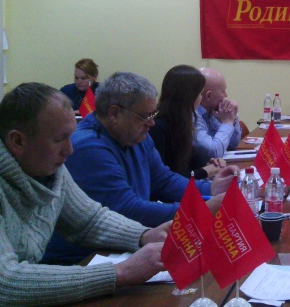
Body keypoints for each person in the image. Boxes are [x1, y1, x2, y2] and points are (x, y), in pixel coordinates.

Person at [0, 82, 169, 306]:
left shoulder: (51, 169)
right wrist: (119, 273)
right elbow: (6, 282)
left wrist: (143, 235)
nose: (70, 150)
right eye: (59, 139)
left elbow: (89, 220)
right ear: (18, 141)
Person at [43, 72, 234, 265]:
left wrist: (211, 189)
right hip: (83, 260)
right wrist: (198, 209)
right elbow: (128, 209)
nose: (152, 123)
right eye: (145, 116)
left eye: (153, 114)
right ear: (114, 113)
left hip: (121, 247)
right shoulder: (88, 146)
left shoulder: (136, 135)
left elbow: (164, 181)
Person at [149, 65, 226, 179]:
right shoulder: (157, 128)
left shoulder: (181, 122)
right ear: (189, 97)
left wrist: (211, 163)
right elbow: (166, 179)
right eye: (200, 94)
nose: (201, 99)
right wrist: (205, 171)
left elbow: (192, 159)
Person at [192, 67, 242, 165]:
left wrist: (233, 117)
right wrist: (227, 123)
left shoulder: (213, 110)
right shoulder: (193, 116)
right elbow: (213, 152)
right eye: (223, 91)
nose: (226, 95)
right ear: (209, 96)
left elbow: (233, 144)